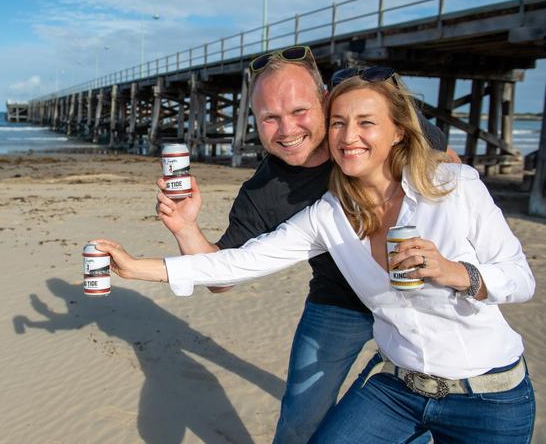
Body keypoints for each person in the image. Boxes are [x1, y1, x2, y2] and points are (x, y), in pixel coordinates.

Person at [94, 67, 535, 442]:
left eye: (365, 123)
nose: (348, 137)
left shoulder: (451, 184)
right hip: (368, 342)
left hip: (486, 390)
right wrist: (144, 260)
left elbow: (517, 275)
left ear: (397, 128)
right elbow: (232, 266)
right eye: (340, 123)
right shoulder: (320, 211)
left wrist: (459, 271)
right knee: (304, 418)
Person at [153, 46, 452, 443]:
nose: (287, 130)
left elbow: (448, 162)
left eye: (299, 112)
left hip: (416, 294)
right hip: (337, 303)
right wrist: (185, 227)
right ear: (254, 121)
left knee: (422, 417)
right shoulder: (263, 190)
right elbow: (221, 277)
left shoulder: (368, 127)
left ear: (325, 101)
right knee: (299, 421)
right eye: (270, 118)